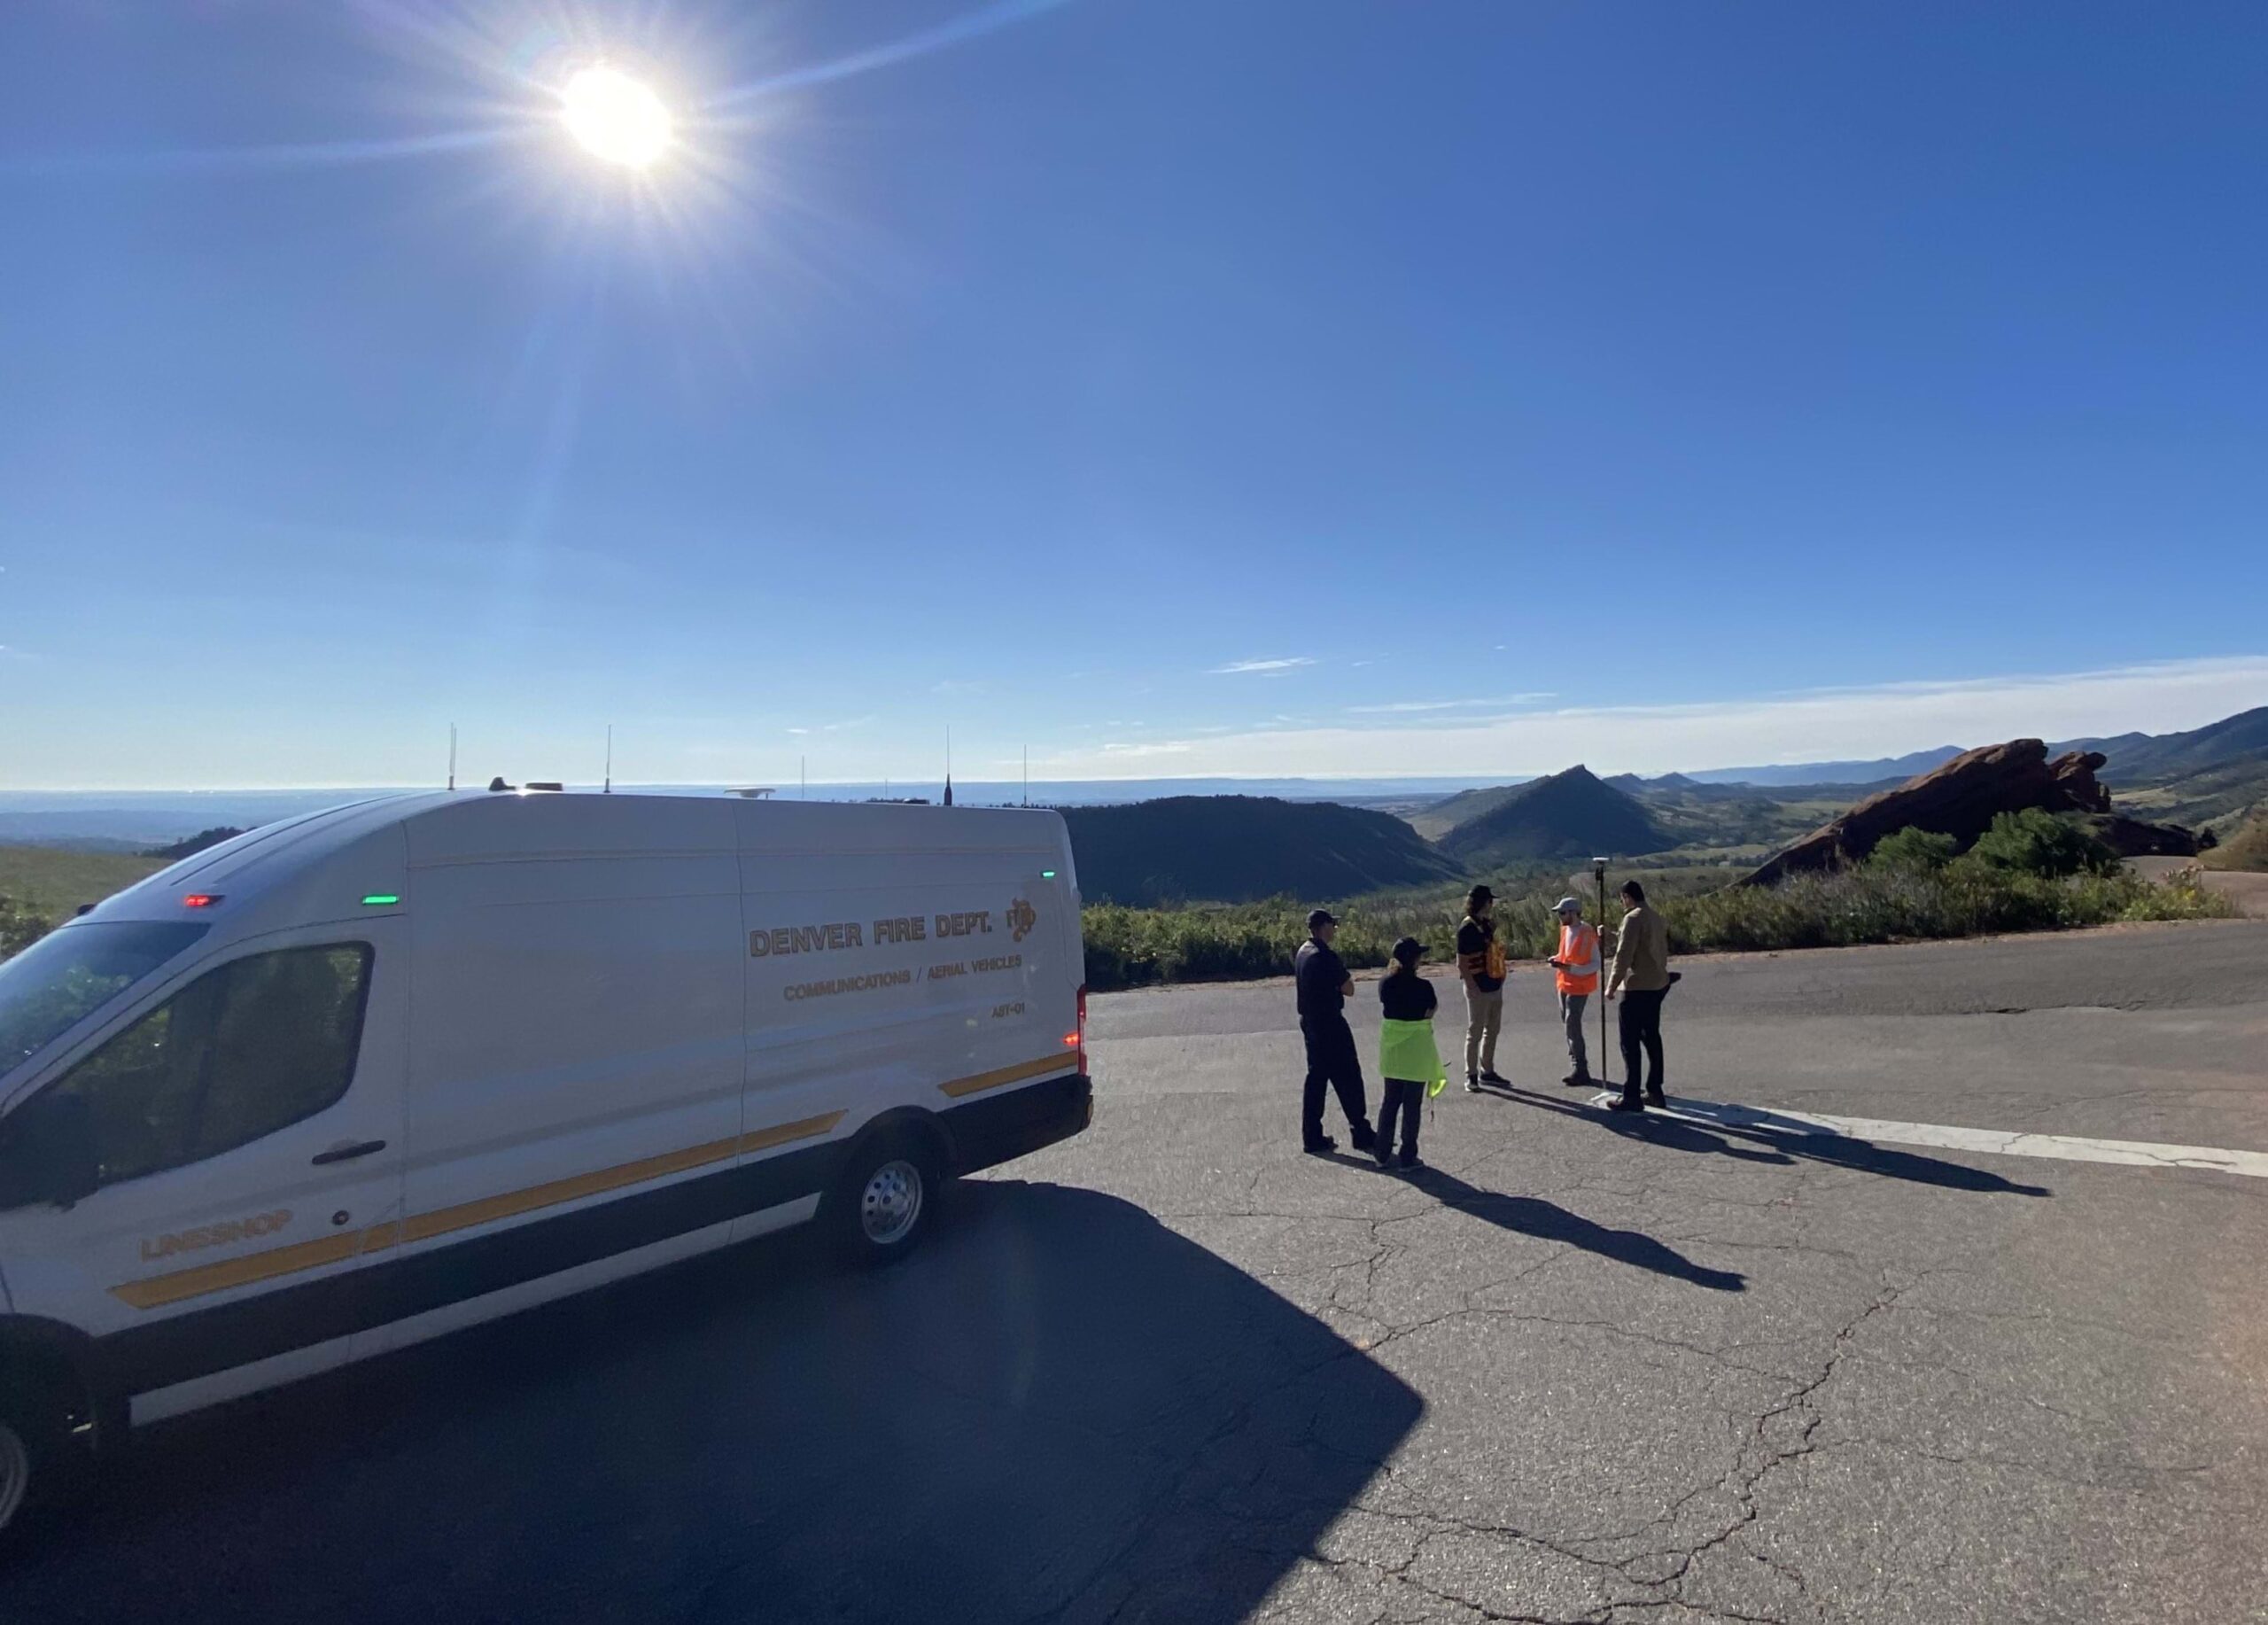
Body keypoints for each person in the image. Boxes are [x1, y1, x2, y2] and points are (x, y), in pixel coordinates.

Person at [1294, 908, 1377, 1154]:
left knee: (1317, 1079)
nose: (1335, 930)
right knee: (1349, 1076)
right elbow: (1349, 989)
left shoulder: (1302, 951)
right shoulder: (1325, 956)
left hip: (1310, 1023)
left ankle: (1312, 1135)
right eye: (1333, 926)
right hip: (1330, 1023)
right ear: (1323, 927)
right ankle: (1360, 1132)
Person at [1375, 936, 1444, 1170]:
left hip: (1393, 1051)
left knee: (1390, 1102)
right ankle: (1407, 1155)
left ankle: (1382, 1153)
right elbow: (1430, 1010)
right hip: (1416, 1051)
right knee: (1411, 1104)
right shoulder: (1424, 987)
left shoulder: (1385, 984)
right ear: (1413, 960)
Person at [1604, 879, 1670, 1111]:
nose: (1622, 903)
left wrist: (1611, 986)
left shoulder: (1632, 918)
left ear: (1627, 897)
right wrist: (1612, 935)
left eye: (1622, 899)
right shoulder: (1654, 916)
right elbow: (1641, 944)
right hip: (1657, 984)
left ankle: (1631, 1095)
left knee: (1629, 1042)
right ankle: (1655, 1090)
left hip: (1637, 986)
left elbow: (1624, 955)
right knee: (1652, 1037)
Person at [1454, 884, 1508, 1091]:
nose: (1491, 905)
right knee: (1475, 1031)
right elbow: (1462, 962)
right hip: (1478, 986)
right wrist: (1470, 986)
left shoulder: (1487, 924)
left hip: (1494, 982)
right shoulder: (1466, 929)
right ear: (1483, 903)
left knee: (1492, 1029)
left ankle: (1488, 1070)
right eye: (1489, 901)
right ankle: (1471, 1075)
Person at [1545, 895, 1599, 1087]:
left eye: (1562, 913)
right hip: (1564, 983)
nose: (1560, 917)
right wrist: (1557, 959)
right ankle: (1576, 1065)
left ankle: (1581, 1069)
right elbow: (1565, 954)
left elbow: (1595, 963)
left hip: (1579, 986)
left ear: (1573, 913)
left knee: (1572, 1025)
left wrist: (1571, 969)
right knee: (1568, 1026)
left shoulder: (1586, 933)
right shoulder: (1565, 931)